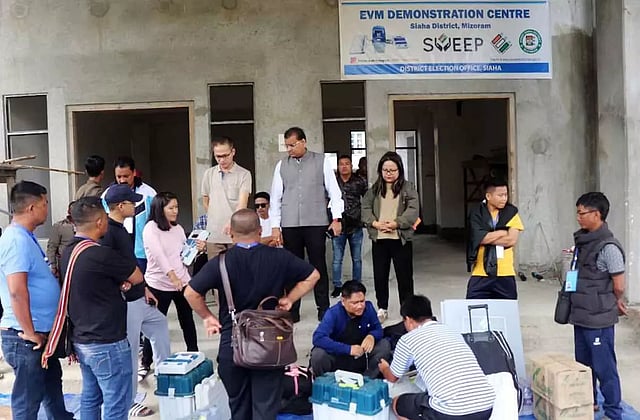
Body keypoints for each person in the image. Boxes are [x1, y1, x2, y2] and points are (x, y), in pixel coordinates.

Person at [184, 209, 320, 420]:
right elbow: (313, 275)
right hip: (270, 347)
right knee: (266, 410)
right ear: (260, 231)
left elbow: (191, 293)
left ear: (231, 234)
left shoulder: (221, 263)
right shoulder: (280, 257)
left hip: (233, 346)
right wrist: (290, 299)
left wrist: (208, 317)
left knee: (238, 409)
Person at [61, 197, 144, 420]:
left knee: (91, 397)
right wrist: (121, 282)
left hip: (82, 339)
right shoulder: (101, 254)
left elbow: (91, 282)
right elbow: (137, 276)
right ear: (99, 221)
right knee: (117, 402)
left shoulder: (69, 251)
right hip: (107, 341)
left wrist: (115, 283)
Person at [0, 181, 74, 419]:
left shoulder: (26, 237)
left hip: (41, 334)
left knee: (52, 387)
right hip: (25, 337)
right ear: (32, 207)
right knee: (28, 400)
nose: (47, 209)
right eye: (45, 203)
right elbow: (17, 291)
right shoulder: (15, 240)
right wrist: (30, 332)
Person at [101, 184, 172, 417]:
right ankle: (129, 401)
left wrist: (144, 288)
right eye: (132, 202)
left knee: (159, 324)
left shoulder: (123, 229)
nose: (136, 205)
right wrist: (120, 284)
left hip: (138, 296)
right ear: (121, 206)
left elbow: (130, 262)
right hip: (126, 302)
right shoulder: (108, 233)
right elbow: (106, 264)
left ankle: (165, 377)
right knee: (130, 352)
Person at [378, 295, 495, 420]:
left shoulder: (408, 339)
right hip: (486, 407)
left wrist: (384, 368)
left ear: (408, 320)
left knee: (397, 404)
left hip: (451, 412)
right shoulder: (451, 331)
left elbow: (393, 377)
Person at [270, 126, 344, 322]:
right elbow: (275, 197)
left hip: (316, 222)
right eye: (287, 146)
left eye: (292, 145)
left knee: (318, 265)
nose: (289, 149)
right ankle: (292, 309)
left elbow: (335, 193)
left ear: (303, 142)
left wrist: (336, 219)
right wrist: (275, 226)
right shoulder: (281, 165)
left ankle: (323, 308)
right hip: (290, 224)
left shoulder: (321, 161)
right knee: (291, 267)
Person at [570, 192, 625, 419]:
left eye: (582, 213)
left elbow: (619, 285)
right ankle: (589, 402)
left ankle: (613, 411)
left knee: (604, 367)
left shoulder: (609, 247)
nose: (578, 217)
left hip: (599, 318)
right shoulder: (583, 243)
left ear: (597, 214)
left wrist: (614, 301)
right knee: (583, 365)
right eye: (577, 213)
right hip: (581, 315)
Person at [361, 151, 419, 323]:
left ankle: (407, 311)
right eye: (385, 170)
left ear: (399, 170)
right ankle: (382, 308)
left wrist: (396, 223)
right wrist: (375, 223)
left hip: (400, 238)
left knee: (405, 277)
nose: (389, 173)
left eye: (393, 170)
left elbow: (413, 210)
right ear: (380, 170)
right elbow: (365, 208)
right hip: (379, 238)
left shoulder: (408, 188)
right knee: (380, 275)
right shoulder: (374, 189)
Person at [143, 192, 202, 353]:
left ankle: (194, 353)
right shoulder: (150, 228)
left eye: (176, 207)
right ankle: (146, 360)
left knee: (187, 320)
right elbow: (159, 255)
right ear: (160, 209)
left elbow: (184, 256)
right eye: (171, 208)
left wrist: (197, 249)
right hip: (159, 284)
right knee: (155, 323)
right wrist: (172, 276)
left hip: (182, 281)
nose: (175, 211)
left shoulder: (178, 228)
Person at [310, 280, 391, 378]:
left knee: (384, 345)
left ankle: (368, 379)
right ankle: (326, 382)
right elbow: (318, 338)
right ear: (343, 301)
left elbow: (378, 329)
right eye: (355, 303)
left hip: (360, 355)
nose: (360, 306)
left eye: (362, 301)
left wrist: (372, 336)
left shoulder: (368, 308)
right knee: (318, 355)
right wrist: (348, 349)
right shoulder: (333, 314)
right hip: (338, 356)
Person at [466, 179, 524, 300]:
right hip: (480, 272)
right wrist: (502, 232)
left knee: (507, 309)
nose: (504, 199)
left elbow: (511, 240)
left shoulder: (511, 213)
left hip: (505, 272)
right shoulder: (476, 213)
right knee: (474, 307)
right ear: (488, 196)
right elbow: (478, 238)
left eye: (506, 195)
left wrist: (486, 236)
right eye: (500, 195)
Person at [101, 156, 157, 271]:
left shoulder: (149, 193)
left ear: (134, 173)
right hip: (117, 250)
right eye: (118, 176)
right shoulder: (107, 195)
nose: (122, 180)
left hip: (142, 252)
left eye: (126, 176)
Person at [202, 136, 252, 259]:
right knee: (215, 268)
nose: (222, 160)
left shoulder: (244, 174)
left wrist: (231, 223)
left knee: (237, 267)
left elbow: (242, 204)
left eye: (225, 155)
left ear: (233, 152)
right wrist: (214, 218)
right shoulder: (209, 174)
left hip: (236, 234)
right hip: (214, 235)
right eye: (218, 156)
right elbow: (205, 200)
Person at [331, 155, 368, 297]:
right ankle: (337, 286)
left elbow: (368, 199)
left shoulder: (359, 181)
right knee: (337, 259)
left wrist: (364, 217)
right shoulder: (333, 182)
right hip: (339, 225)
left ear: (351, 166)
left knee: (357, 259)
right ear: (338, 167)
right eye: (341, 164)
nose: (344, 166)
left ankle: (357, 285)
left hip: (355, 225)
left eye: (347, 164)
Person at [46, 202, 75, 281]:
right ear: (68, 211)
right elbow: (52, 247)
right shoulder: (59, 226)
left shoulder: (84, 225)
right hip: (64, 263)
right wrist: (53, 266)